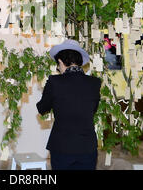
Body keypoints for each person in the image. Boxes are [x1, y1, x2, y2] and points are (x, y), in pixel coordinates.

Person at [36, 39, 101, 170]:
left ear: (60, 61)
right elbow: (92, 109)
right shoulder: (95, 83)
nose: (58, 68)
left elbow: (42, 108)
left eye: (58, 65)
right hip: (87, 147)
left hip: (61, 147)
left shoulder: (54, 81)